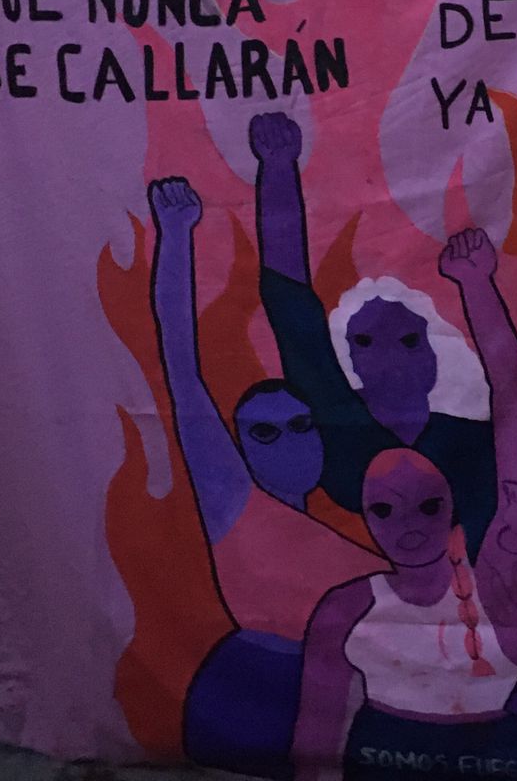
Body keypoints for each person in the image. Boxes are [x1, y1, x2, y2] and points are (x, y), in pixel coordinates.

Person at [251, 112, 517, 733]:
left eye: (410, 339)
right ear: (347, 363)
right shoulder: (338, 444)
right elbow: (290, 305)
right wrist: (276, 168)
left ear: (437, 355)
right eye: (366, 343)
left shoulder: (498, 462)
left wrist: (514, 726)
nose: (389, 358)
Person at [294, 229, 517, 781]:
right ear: (365, 518)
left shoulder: (505, 581)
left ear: (452, 505)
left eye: (426, 506)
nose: (407, 525)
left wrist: (477, 287)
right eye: (384, 511)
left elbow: (516, 412)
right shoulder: (345, 608)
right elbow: (315, 736)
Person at [147, 177, 382, 780]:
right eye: (265, 433)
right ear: (240, 449)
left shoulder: (370, 521)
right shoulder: (233, 500)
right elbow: (181, 368)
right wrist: (176, 236)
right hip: (249, 691)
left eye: (301, 425)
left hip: (352, 698)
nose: (289, 442)